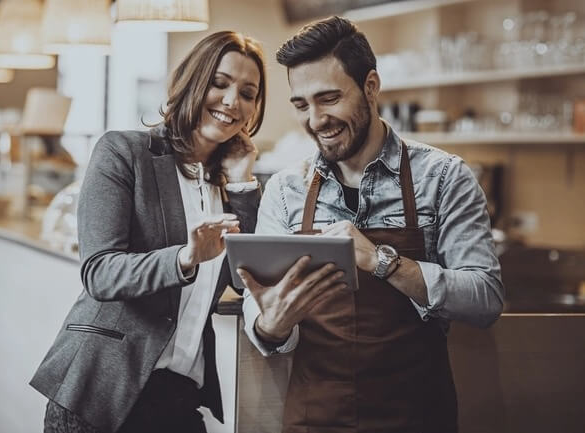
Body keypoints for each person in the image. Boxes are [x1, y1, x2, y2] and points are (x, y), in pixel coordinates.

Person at [237, 16, 505, 433]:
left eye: (329, 98)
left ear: (371, 86)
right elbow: (264, 310)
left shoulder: (444, 177)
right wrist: (269, 325)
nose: (315, 119)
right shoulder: (285, 190)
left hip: (417, 415)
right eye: (302, 105)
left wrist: (383, 261)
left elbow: (485, 299)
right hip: (314, 416)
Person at [31, 31, 272, 433]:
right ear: (192, 83)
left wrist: (243, 182)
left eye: (248, 93)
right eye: (220, 83)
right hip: (101, 397)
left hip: (179, 399)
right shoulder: (124, 153)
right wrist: (185, 258)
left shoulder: (233, 186)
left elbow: (252, 279)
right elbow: (100, 272)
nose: (233, 101)